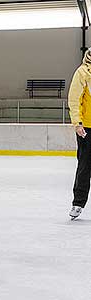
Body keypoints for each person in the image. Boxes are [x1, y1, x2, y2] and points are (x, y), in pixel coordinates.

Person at [68, 48, 91, 220]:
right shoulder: (82, 73)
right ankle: (78, 202)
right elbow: (74, 99)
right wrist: (77, 123)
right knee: (85, 165)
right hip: (87, 128)